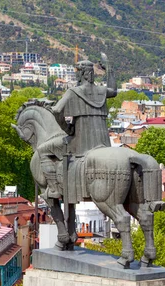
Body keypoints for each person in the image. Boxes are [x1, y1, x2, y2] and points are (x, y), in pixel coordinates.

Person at [37, 58, 117, 199]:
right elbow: (114, 91)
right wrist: (109, 69)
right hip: (102, 141)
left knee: (43, 150)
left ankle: (55, 189)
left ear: (83, 74)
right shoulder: (102, 91)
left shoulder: (73, 92)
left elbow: (56, 111)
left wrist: (67, 128)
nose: (76, 76)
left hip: (80, 141)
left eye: (78, 73)